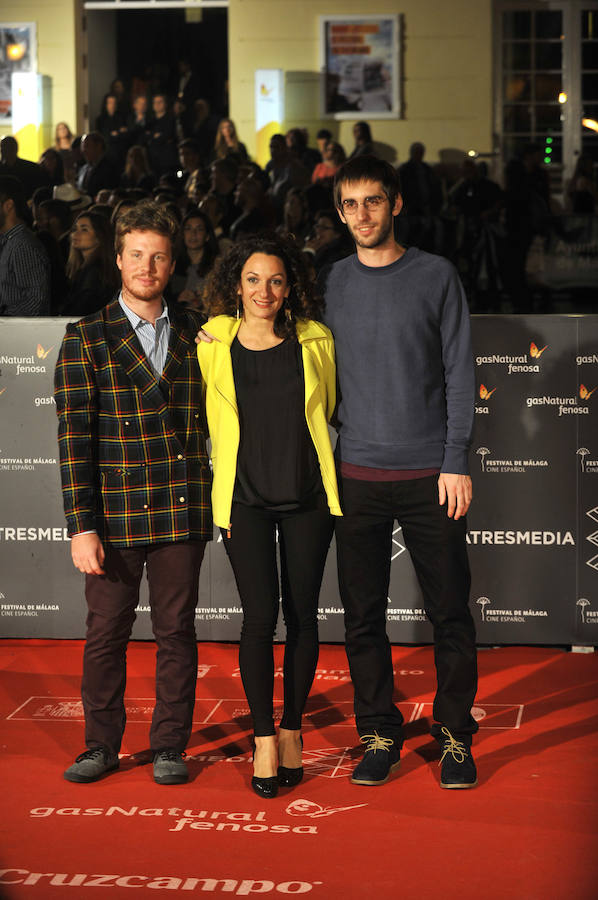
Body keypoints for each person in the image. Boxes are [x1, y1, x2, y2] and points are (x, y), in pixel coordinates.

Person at [322, 155, 478, 789]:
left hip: (428, 476)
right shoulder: (328, 282)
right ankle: (379, 732)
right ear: (339, 212)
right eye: (350, 204)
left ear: (397, 204)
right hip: (354, 475)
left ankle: (454, 737)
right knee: (361, 617)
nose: (363, 215)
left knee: (450, 614)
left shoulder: (436, 275)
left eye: (374, 202)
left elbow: (460, 373)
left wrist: (456, 459)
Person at [54, 200, 212, 785]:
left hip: (182, 502)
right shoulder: (86, 337)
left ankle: (170, 745)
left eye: (159, 257)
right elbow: (74, 440)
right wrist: (82, 524)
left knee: (177, 631)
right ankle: (100, 746)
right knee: (106, 635)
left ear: (173, 265)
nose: (148, 267)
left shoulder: (202, 333)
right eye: (137, 255)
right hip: (113, 516)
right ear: (119, 260)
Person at [197, 233, 341, 799]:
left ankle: (292, 730)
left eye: (276, 281)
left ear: (290, 288)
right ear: (237, 283)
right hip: (244, 501)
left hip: (308, 498)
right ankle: (261, 738)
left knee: (303, 616)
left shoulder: (315, 339)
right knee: (259, 619)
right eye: (253, 279)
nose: (264, 290)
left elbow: (328, 407)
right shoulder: (212, 340)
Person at [0, 175, 50, 316]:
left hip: (19, 334)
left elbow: (35, 300)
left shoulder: (22, 245)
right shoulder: (9, 240)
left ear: (8, 205)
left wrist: (6, 321)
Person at [62, 210, 120, 316]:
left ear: (99, 236)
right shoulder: (89, 267)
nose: (76, 233)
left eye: (84, 230)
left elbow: (81, 309)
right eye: (75, 229)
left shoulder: (95, 270)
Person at [171, 208, 219, 308]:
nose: (193, 234)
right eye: (188, 229)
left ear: (207, 236)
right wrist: (178, 297)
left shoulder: (217, 266)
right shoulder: (173, 264)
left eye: (199, 229)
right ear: (182, 234)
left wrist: (199, 301)